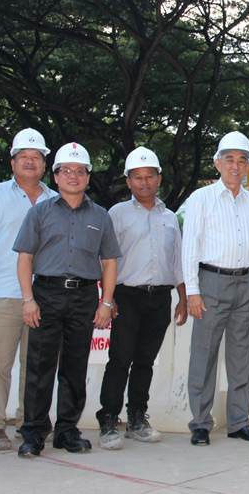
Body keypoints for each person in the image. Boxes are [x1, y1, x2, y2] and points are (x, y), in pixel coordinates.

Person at [12, 142, 120, 458]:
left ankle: (67, 431)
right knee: (39, 366)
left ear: (88, 176)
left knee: (74, 367)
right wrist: (28, 299)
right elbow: (25, 258)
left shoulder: (101, 216)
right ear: (56, 176)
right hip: (45, 294)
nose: (73, 176)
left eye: (80, 171)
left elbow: (110, 262)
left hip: (84, 296)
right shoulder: (39, 212)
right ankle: (33, 433)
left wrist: (106, 302)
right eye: (66, 170)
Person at [0, 128, 56, 451]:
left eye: (37, 158)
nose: (30, 162)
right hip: (2, 291)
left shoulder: (54, 200)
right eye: (24, 157)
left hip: (43, 295)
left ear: (45, 164)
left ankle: (28, 421)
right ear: (13, 161)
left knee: (36, 365)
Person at [96, 146, 187, 450]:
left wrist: (183, 299)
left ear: (159, 178)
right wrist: (108, 298)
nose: (144, 183)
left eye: (150, 176)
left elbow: (177, 262)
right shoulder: (117, 215)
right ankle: (108, 418)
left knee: (145, 361)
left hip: (160, 298)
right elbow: (106, 260)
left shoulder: (171, 218)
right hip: (127, 296)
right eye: (138, 178)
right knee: (120, 359)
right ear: (128, 181)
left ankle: (137, 417)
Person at [182, 131, 249, 446]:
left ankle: (238, 422)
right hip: (211, 283)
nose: (235, 166)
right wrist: (192, 291)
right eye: (229, 159)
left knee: (242, 357)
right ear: (217, 162)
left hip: (247, 284)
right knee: (203, 356)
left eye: (242, 160)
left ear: (248, 166)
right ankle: (201, 423)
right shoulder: (200, 199)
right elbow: (189, 246)